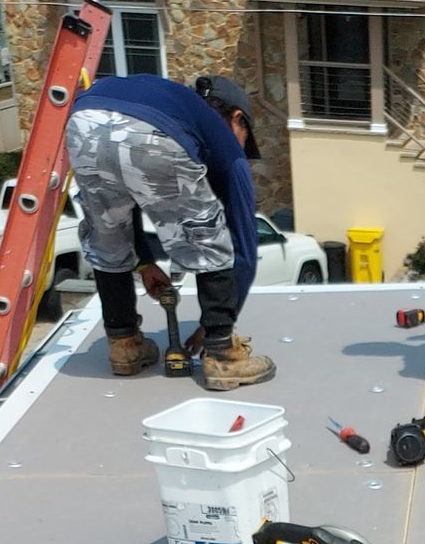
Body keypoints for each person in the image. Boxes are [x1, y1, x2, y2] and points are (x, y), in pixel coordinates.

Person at [63, 72, 273, 392]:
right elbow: (242, 247)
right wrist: (215, 327)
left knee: (107, 235)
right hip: (152, 133)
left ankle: (124, 345)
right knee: (207, 238)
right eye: (246, 139)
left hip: (83, 119)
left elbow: (123, 206)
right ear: (237, 119)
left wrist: (144, 262)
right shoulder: (221, 137)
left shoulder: (174, 103)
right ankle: (225, 360)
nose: (242, 151)